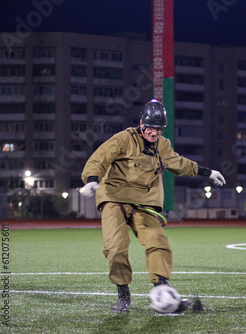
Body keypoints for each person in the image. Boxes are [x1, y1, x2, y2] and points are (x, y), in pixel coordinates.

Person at [81, 99, 226, 313]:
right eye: (150, 128)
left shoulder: (163, 145)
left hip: (145, 202)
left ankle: (161, 288)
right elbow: (99, 159)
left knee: (158, 240)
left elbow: (179, 163)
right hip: (114, 198)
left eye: (158, 129)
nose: (154, 133)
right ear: (142, 123)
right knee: (115, 248)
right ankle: (123, 293)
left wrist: (207, 172)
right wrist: (92, 179)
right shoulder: (123, 138)